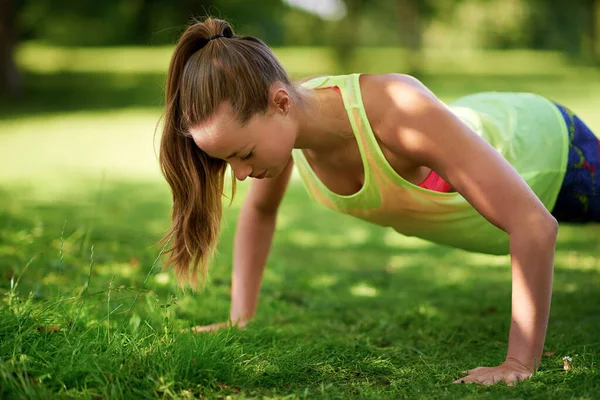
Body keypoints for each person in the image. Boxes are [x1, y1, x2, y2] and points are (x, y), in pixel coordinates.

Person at [158, 17, 599, 386]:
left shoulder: (395, 108)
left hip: (549, 150)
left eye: (244, 154)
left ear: (280, 101)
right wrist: (241, 316)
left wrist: (519, 364)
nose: (239, 173)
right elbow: (261, 210)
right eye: (227, 160)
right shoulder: (293, 124)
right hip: (475, 130)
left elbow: (534, 225)